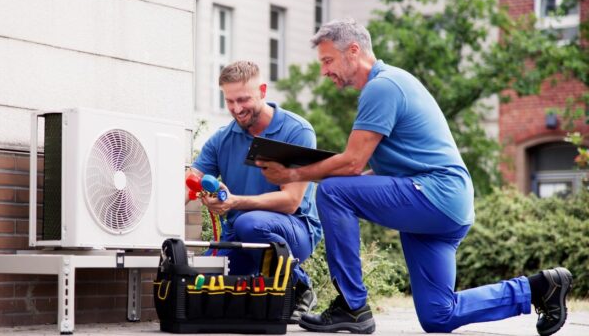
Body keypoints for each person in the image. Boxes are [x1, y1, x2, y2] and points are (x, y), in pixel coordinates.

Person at [257, 19, 573, 335]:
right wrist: (340, 181)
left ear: (353, 51)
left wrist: (294, 173)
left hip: (435, 194)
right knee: (439, 315)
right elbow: (369, 171)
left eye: (327, 60)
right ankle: (539, 288)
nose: (324, 71)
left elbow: (352, 164)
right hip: (444, 205)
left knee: (333, 191)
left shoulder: (382, 87)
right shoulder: (392, 84)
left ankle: (352, 306)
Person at [187, 60, 323, 323]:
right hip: (238, 235)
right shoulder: (222, 139)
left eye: (243, 99)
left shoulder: (296, 131)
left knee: (250, 222)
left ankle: (300, 286)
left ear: (262, 90)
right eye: (229, 101)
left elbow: (291, 201)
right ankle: (266, 292)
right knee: (198, 284)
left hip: (294, 231)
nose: (237, 109)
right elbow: (191, 180)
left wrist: (234, 202)